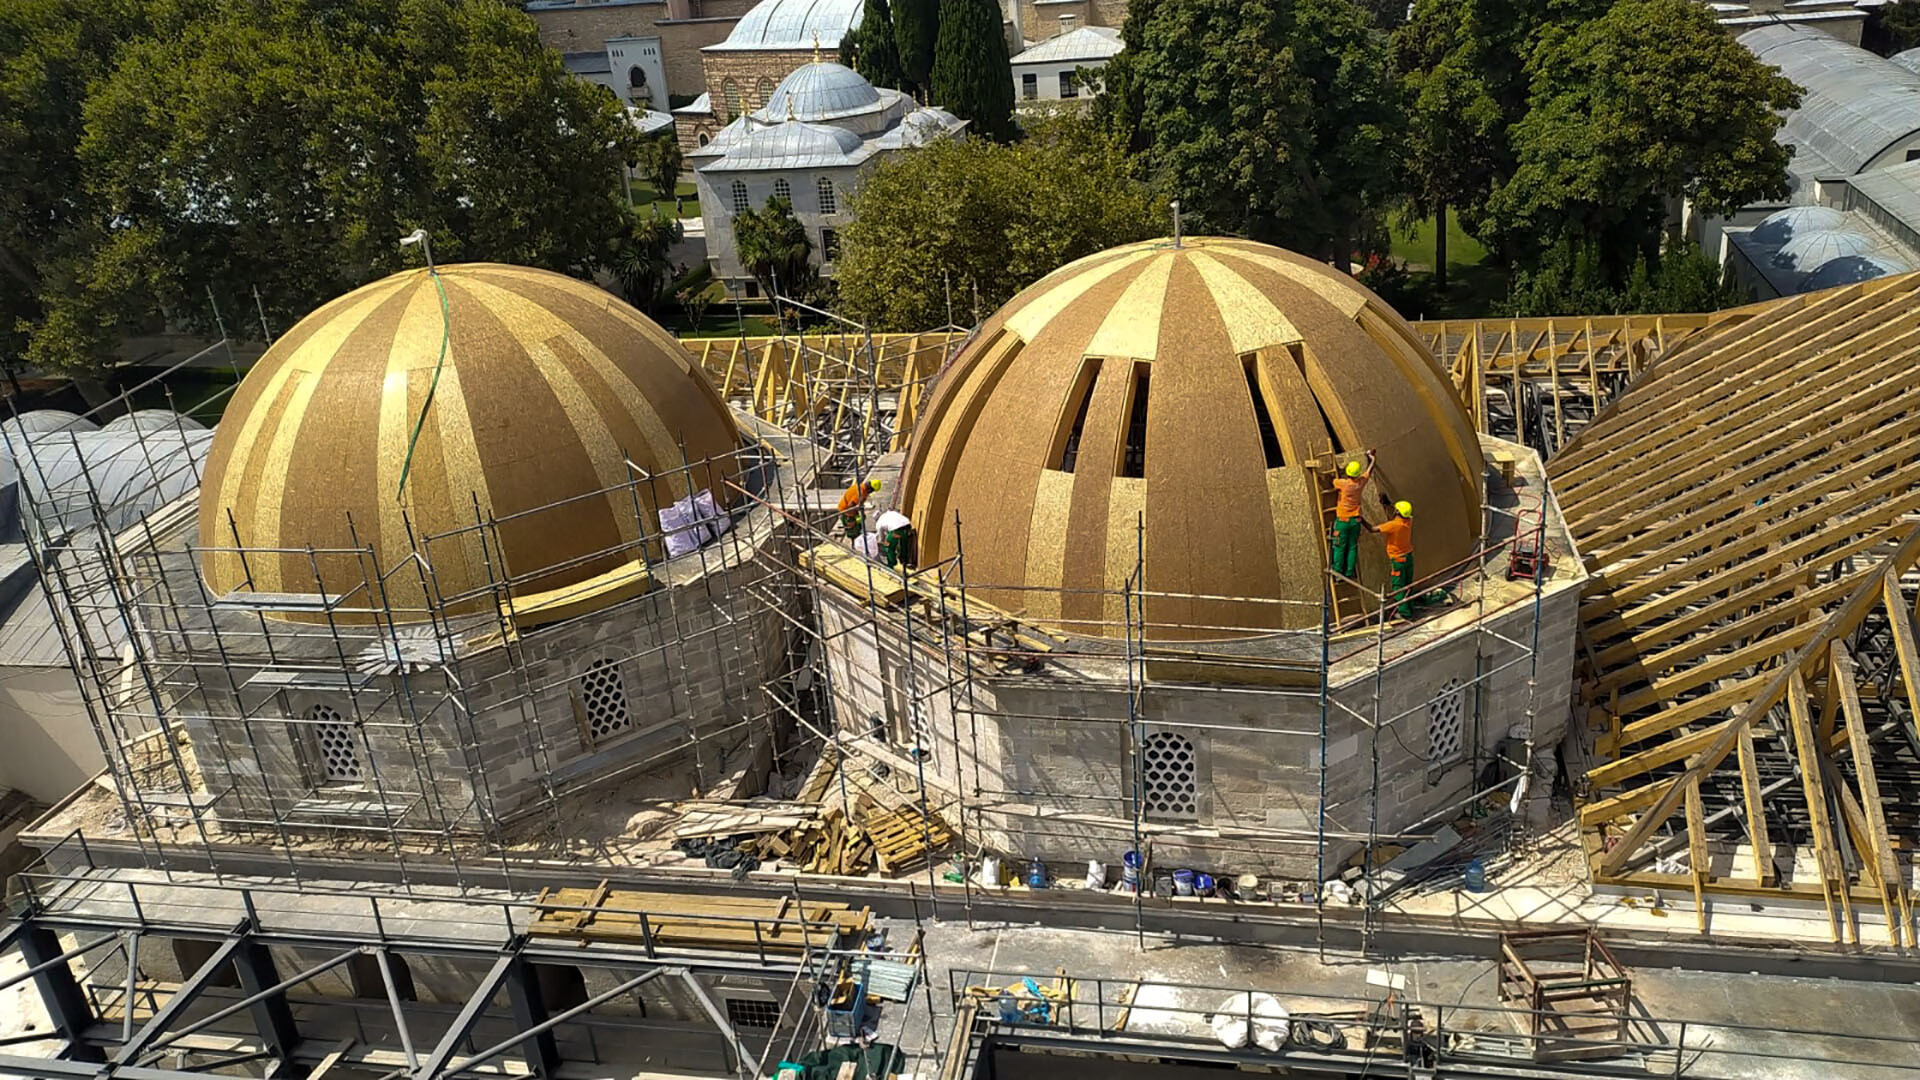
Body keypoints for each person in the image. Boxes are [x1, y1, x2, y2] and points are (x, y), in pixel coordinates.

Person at [1329, 450, 1376, 579]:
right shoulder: (1361, 482)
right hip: (1355, 521)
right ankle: (1349, 572)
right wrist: (1372, 458)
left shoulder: (1343, 484)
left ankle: (1338, 573)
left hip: (1343, 521)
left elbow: (1333, 481)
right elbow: (1369, 471)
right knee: (1352, 547)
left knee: (1339, 547)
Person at [1371, 500, 1415, 618]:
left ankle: (1404, 613)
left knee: (1398, 587)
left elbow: (1372, 529)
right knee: (1407, 584)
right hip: (1408, 557)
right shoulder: (1409, 521)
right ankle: (1410, 607)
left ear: (1397, 512)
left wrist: (1360, 519)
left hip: (1398, 560)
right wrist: (1388, 504)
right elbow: (1401, 514)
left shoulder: (1393, 525)